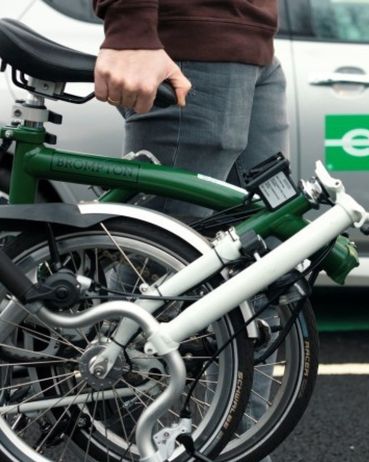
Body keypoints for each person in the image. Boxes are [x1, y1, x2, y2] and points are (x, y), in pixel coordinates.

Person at [91, 1, 285, 460]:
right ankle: (126, 443)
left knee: (262, 268)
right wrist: (131, 24)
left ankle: (236, 449)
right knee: (155, 275)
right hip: (195, 42)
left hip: (251, 43)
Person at [92, 0, 288, 217]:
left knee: (273, 227)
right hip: (193, 46)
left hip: (254, 44)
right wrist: (130, 26)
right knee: (160, 238)